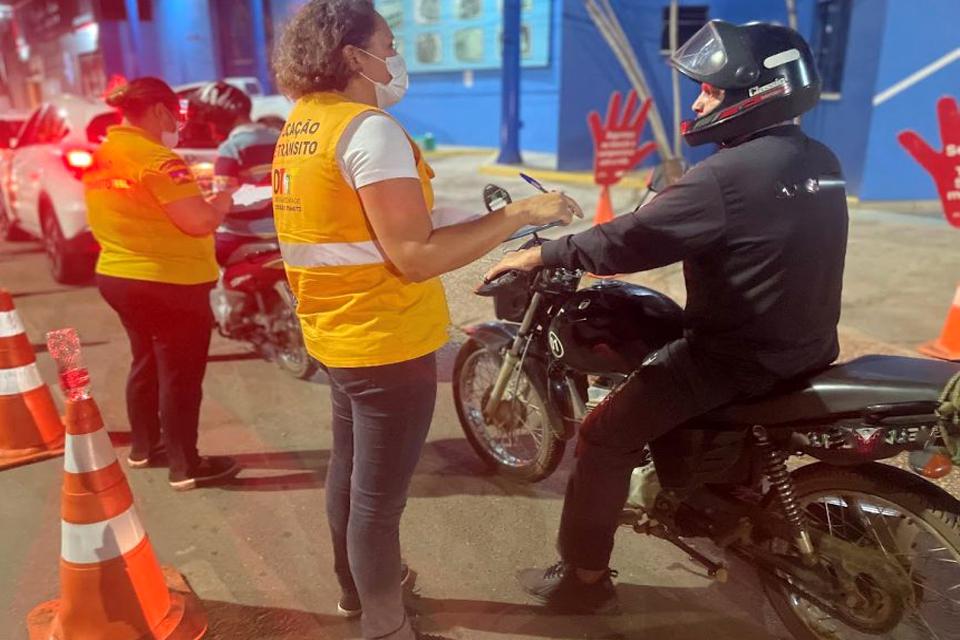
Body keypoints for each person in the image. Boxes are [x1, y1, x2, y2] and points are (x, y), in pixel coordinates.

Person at [485, 20, 849, 613]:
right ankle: (718, 492)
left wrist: (545, 251)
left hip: (735, 358)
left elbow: (629, 239)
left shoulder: (726, 176)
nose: (701, 100)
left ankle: (582, 579)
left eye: (712, 91)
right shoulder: (818, 157)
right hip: (806, 343)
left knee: (602, 435)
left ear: (757, 94)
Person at [271, 2, 582, 639]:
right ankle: (385, 623)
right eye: (389, 42)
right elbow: (415, 257)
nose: (396, 54)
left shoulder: (303, 125)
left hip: (335, 331)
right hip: (384, 340)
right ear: (353, 55)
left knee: (350, 475)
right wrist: (519, 214)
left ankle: (355, 593)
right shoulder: (369, 129)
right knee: (377, 502)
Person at [84, 77, 240, 491]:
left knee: (146, 362)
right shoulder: (158, 159)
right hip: (169, 284)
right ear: (158, 111)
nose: (180, 123)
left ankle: (144, 447)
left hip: (119, 277)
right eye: (178, 114)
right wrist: (225, 197)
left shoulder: (105, 153)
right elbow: (200, 222)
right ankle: (185, 465)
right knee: (181, 376)